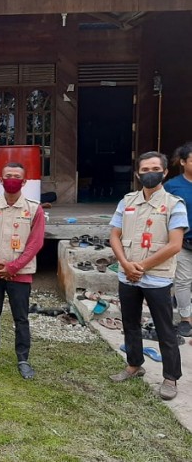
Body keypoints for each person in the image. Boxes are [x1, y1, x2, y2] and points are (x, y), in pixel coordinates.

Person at [109, 151, 187, 400]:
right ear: (137, 174)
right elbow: (114, 235)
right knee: (130, 323)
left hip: (157, 278)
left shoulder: (175, 204)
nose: (149, 173)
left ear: (164, 172)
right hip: (127, 275)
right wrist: (125, 264)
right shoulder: (127, 201)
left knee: (165, 329)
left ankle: (170, 378)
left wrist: (140, 266)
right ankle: (134, 365)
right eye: (144, 170)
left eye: (154, 168)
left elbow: (175, 245)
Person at [0, 162, 45, 379]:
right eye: (8, 176)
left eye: (16, 176)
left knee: (21, 318)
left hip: (20, 274)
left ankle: (23, 358)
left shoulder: (34, 209)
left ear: (23, 182)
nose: (12, 179)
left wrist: (13, 267)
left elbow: (36, 242)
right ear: (1, 180)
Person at [164, 142, 192, 337]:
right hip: (183, 243)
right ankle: (185, 319)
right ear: (183, 162)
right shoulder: (172, 186)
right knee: (182, 282)